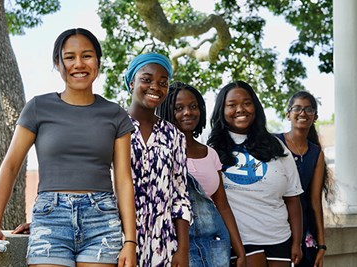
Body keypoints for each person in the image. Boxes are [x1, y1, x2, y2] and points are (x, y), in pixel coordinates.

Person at [0, 28, 137, 267]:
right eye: (69, 57)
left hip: (102, 220)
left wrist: (130, 240)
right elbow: (11, 165)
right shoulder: (38, 107)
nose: (79, 63)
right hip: (51, 219)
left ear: (98, 61)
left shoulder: (116, 114)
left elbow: (123, 179)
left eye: (87, 56)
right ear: (58, 63)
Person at [207, 81, 303, 267]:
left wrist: (297, 243)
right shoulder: (211, 147)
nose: (240, 109)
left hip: (280, 238)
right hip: (239, 241)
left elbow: (293, 198)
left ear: (255, 107)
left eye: (247, 103)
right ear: (221, 109)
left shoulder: (277, 146)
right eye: (232, 105)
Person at [156, 81, 246, 267]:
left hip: (215, 244)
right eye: (179, 108)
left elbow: (223, 205)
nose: (188, 112)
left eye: (193, 106)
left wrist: (239, 250)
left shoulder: (210, 153)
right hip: (175, 246)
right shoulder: (159, 153)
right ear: (166, 112)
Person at [124, 53, 192, 266]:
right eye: (146, 79)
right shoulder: (113, 127)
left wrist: (182, 249)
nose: (155, 87)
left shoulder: (174, 136)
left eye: (163, 83)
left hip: (163, 246)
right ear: (131, 82)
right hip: (120, 241)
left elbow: (180, 196)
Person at [277, 91, 333, 267]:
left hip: (304, 228)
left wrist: (322, 245)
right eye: (297, 108)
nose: (303, 113)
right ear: (288, 114)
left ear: (315, 117)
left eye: (309, 109)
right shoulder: (274, 143)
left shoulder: (316, 153)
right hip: (276, 221)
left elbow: (315, 201)